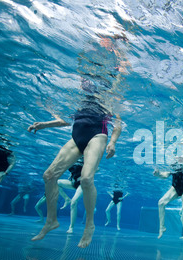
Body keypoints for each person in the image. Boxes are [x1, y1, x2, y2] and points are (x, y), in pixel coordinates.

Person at [28, 104, 122, 248]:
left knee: (86, 178)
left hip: (97, 136)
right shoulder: (81, 100)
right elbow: (65, 120)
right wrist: (44, 125)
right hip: (76, 137)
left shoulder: (109, 99)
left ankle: (90, 225)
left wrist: (113, 142)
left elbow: (118, 124)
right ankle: (51, 221)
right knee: (49, 176)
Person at [153, 157, 183, 242]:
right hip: (175, 188)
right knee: (161, 202)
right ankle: (162, 227)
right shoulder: (174, 163)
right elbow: (165, 175)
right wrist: (158, 174)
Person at [57, 159, 85, 234]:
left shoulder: (87, 159)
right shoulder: (72, 158)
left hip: (82, 184)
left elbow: (97, 169)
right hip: (73, 182)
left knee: (73, 203)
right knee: (56, 182)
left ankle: (71, 227)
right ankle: (66, 199)